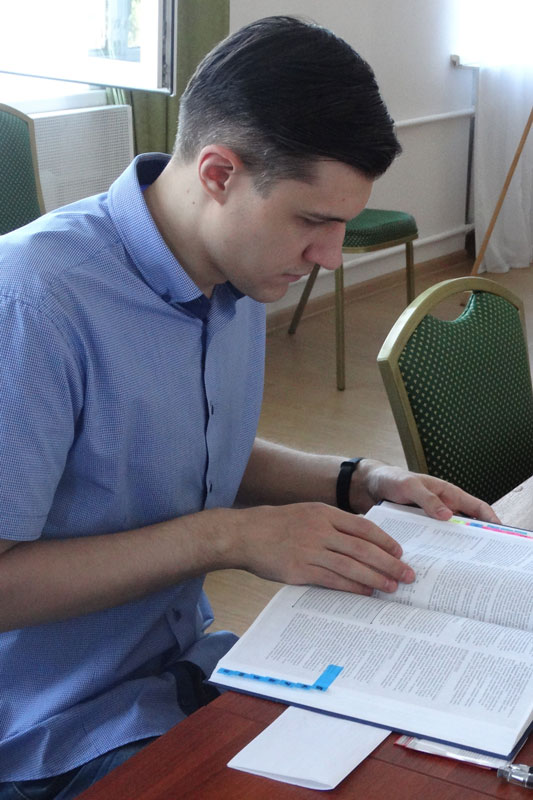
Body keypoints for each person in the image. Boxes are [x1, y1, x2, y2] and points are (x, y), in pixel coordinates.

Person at [0, 15, 498, 800]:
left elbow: (181, 452)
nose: (330, 257)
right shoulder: (35, 303)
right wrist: (227, 537)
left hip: (182, 666)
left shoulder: (233, 270)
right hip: (49, 731)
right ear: (218, 173)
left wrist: (359, 480)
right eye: (312, 221)